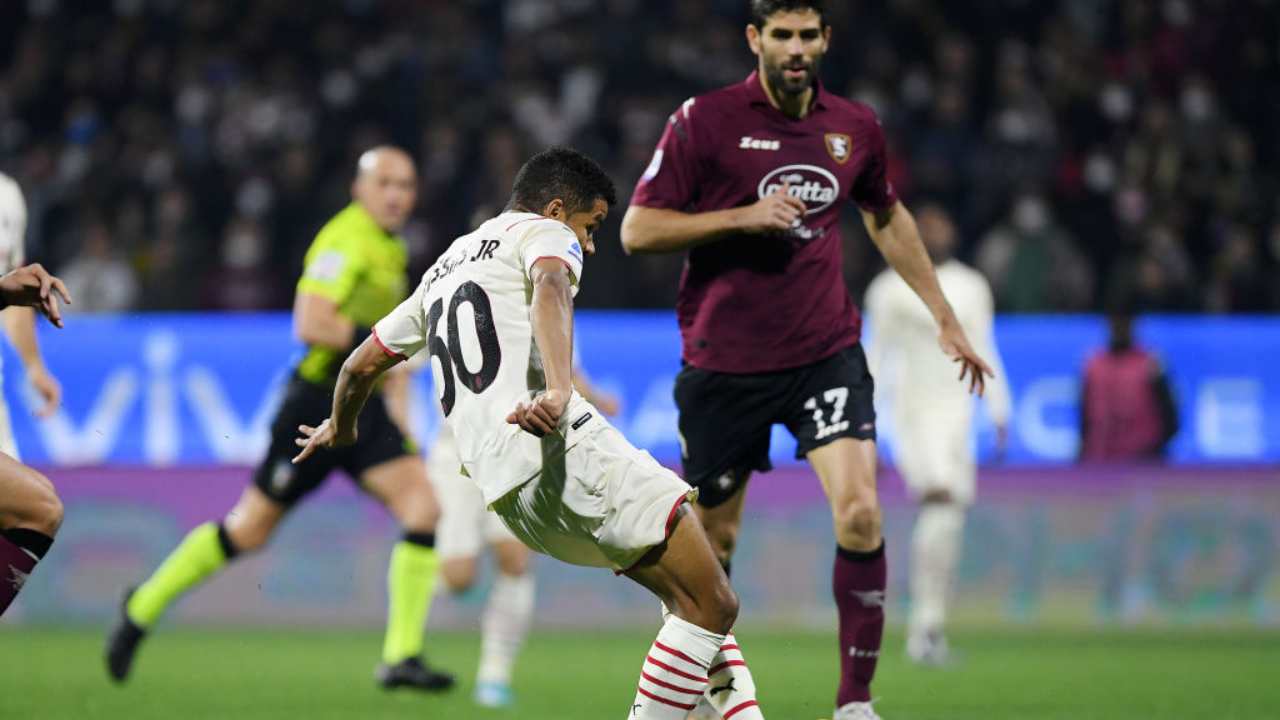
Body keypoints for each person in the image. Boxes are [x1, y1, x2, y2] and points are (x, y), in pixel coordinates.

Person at [294, 147, 765, 720]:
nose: (589, 244)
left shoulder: (444, 267)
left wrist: (340, 428)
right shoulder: (543, 234)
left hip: (510, 493)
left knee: (691, 601)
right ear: (559, 209)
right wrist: (562, 390)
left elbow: (358, 367)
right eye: (591, 227)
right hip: (560, 443)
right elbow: (550, 287)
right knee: (713, 600)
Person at [620, 2, 992, 718]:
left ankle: (855, 702)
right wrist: (741, 216)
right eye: (782, 35)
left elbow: (884, 215)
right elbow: (638, 229)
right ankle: (702, 687)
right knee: (714, 544)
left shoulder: (854, 127)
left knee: (860, 514)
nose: (796, 48)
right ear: (755, 39)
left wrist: (943, 315)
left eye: (808, 35)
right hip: (724, 362)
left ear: (826, 40)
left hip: (825, 352)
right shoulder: (704, 121)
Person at [105, 147, 455, 692]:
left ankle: (401, 656)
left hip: (361, 404)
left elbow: (384, 361)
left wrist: (395, 394)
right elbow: (311, 322)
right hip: (315, 401)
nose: (396, 195)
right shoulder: (345, 239)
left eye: (406, 185)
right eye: (384, 183)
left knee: (423, 507)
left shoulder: (389, 247)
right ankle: (141, 608)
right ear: (359, 189)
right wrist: (382, 345)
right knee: (248, 530)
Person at [417, 360, 620, 709]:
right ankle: (431, 579)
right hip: (456, 453)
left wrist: (597, 400)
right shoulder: (451, 304)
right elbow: (402, 367)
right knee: (458, 577)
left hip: (515, 449)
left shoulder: (538, 307)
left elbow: (564, 371)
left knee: (515, 559)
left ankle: (494, 678)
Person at [864, 204, 1011, 665]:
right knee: (941, 500)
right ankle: (923, 630)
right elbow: (876, 357)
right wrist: (865, 428)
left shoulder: (971, 285)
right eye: (923, 227)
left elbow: (984, 345)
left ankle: (930, 626)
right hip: (913, 412)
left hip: (958, 415)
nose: (933, 232)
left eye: (940, 225)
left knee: (950, 514)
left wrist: (999, 408)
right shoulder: (888, 288)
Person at [0, 262, 72, 619]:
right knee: (38, 507)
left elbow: (13, 296)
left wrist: (33, 366)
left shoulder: (9, 205)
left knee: (38, 507)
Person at [0, 173, 63, 455]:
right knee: (43, 500)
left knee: (36, 498)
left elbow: (12, 296)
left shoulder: (7, 195)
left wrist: (35, 367)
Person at [1078, 312, 1178, 461]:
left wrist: (1156, 450)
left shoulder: (1151, 363)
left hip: (1144, 459)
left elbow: (1170, 415)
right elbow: (1084, 416)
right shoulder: (1093, 365)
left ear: (1133, 325)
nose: (1119, 328)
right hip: (1101, 460)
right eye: (1115, 322)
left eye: (1124, 322)